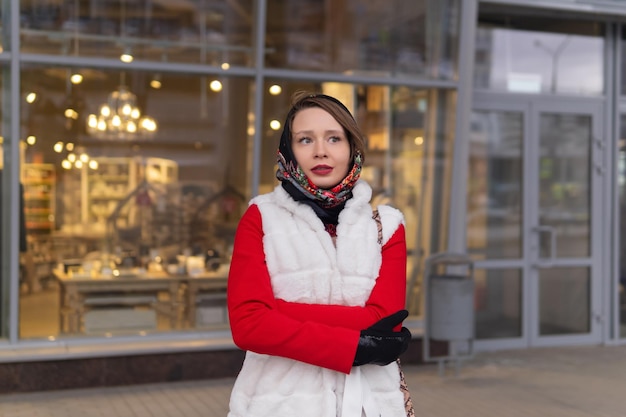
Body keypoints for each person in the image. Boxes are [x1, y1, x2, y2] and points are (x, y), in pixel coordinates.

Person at [227, 91, 412, 417]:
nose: (321, 151)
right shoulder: (262, 218)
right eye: (305, 140)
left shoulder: (387, 226)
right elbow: (247, 325)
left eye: (334, 138)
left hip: (369, 402)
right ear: (289, 149)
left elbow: (385, 320)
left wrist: (280, 313)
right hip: (281, 403)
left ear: (352, 147)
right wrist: (353, 346)